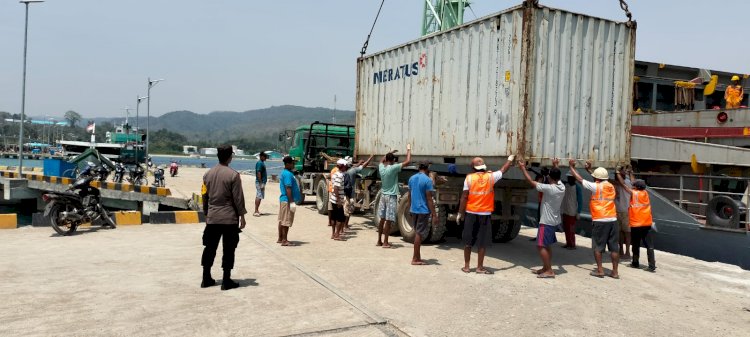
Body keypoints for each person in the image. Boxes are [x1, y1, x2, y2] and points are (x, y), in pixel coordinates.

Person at [200, 144, 247, 290]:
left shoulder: (207, 174)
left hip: (213, 217)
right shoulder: (233, 175)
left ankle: (206, 278)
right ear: (230, 157)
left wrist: (207, 213)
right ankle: (226, 280)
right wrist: (242, 216)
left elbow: (204, 196)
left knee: (209, 247)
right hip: (229, 218)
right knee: (229, 249)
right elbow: (238, 198)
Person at [457, 156, 514, 274]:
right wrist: (510, 159)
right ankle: (479, 267)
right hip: (485, 214)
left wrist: (460, 212)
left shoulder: (469, 178)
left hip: (471, 213)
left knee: (468, 241)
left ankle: (467, 267)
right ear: (484, 166)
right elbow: (504, 169)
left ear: (473, 168)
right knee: (482, 242)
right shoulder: (491, 177)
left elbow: (464, 197)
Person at [568, 159, 620, 279]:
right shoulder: (611, 186)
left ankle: (600, 270)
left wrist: (572, 167)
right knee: (614, 248)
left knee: (598, 247)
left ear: (597, 179)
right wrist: (589, 170)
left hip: (600, 220)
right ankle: (615, 272)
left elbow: (580, 179)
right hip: (612, 219)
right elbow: (598, 181)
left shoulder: (596, 187)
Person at [518, 158, 565, 279]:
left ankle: (549, 270)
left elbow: (531, 181)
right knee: (547, 245)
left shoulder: (549, 188)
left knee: (541, 245)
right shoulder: (562, 187)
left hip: (546, 221)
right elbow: (556, 175)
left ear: (550, 178)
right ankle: (545, 267)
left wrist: (523, 168)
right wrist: (556, 165)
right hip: (553, 220)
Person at [616, 174, 657, 272]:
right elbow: (634, 184)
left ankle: (635, 263)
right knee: (649, 245)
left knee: (636, 244)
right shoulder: (645, 193)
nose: (632, 186)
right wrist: (631, 173)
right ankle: (652, 265)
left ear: (636, 187)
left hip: (636, 224)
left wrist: (618, 174)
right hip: (647, 223)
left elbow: (623, 185)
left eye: (633, 185)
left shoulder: (634, 193)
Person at [377, 144, 412, 248]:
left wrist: (390, 153)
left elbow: (380, 161)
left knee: (382, 219)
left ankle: (379, 240)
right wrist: (409, 149)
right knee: (388, 220)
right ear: (393, 160)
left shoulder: (382, 168)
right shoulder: (393, 168)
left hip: (383, 195)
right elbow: (408, 161)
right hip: (391, 196)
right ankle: (386, 242)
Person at [408, 162, 438, 265]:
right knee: (419, 234)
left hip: (414, 209)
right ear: (427, 168)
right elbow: (429, 199)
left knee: (417, 232)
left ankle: (417, 257)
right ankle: (415, 259)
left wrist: (410, 207)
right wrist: (434, 214)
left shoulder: (412, 178)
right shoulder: (427, 180)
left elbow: (409, 195)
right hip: (423, 210)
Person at [343, 155, 374, 229]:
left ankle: (343, 224)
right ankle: (345, 225)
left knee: (344, 208)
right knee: (349, 209)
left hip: (343, 192)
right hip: (350, 193)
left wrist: (358, 163)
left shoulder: (344, 170)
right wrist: (370, 158)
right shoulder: (353, 170)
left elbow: (354, 166)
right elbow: (363, 166)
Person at [278, 156, 302, 246]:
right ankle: (284, 240)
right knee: (286, 221)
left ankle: (280, 238)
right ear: (288, 164)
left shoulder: (286, 172)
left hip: (283, 199)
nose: (293, 164)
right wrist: (291, 202)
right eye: (292, 163)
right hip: (287, 200)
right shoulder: (288, 174)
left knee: (282, 220)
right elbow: (288, 188)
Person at [614, 166, 632, 259]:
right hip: (617, 211)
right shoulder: (615, 184)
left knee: (627, 232)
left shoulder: (627, 183)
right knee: (620, 232)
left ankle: (628, 251)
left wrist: (617, 172)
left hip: (626, 211)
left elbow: (622, 182)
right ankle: (621, 250)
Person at [561, 173, 583, 249]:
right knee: (566, 228)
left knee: (571, 229)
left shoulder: (577, 187)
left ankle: (572, 244)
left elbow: (580, 201)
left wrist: (578, 212)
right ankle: (568, 243)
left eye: (571, 177)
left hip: (572, 212)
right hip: (565, 210)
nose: (569, 179)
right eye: (568, 177)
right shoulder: (565, 185)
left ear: (574, 178)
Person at [330, 159, 349, 240]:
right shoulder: (340, 175)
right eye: (345, 166)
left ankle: (333, 234)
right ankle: (337, 235)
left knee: (333, 217)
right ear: (343, 166)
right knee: (340, 218)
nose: (346, 167)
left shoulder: (335, 174)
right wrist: (338, 200)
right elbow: (336, 188)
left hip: (333, 199)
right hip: (337, 199)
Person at [254, 152, 268, 217]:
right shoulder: (259, 163)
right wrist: (261, 183)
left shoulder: (261, 163)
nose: (266, 158)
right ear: (261, 156)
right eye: (265, 156)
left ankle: (257, 210)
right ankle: (256, 211)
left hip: (262, 182)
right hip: (260, 182)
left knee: (260, 196)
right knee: (259, 196)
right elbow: (258, 173)